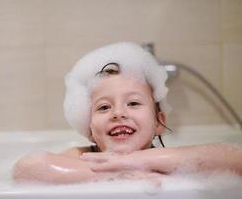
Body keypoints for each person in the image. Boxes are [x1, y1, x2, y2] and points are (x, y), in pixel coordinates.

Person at [13, 42, 242, 184]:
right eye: (104, 107)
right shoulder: (84, 157)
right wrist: (113, 174)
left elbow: (235, 159)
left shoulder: (168, 159)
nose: (118, 113)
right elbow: (28, 168)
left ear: (159, 122)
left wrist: (138, 161)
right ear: (89, 128)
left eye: (133, 103)